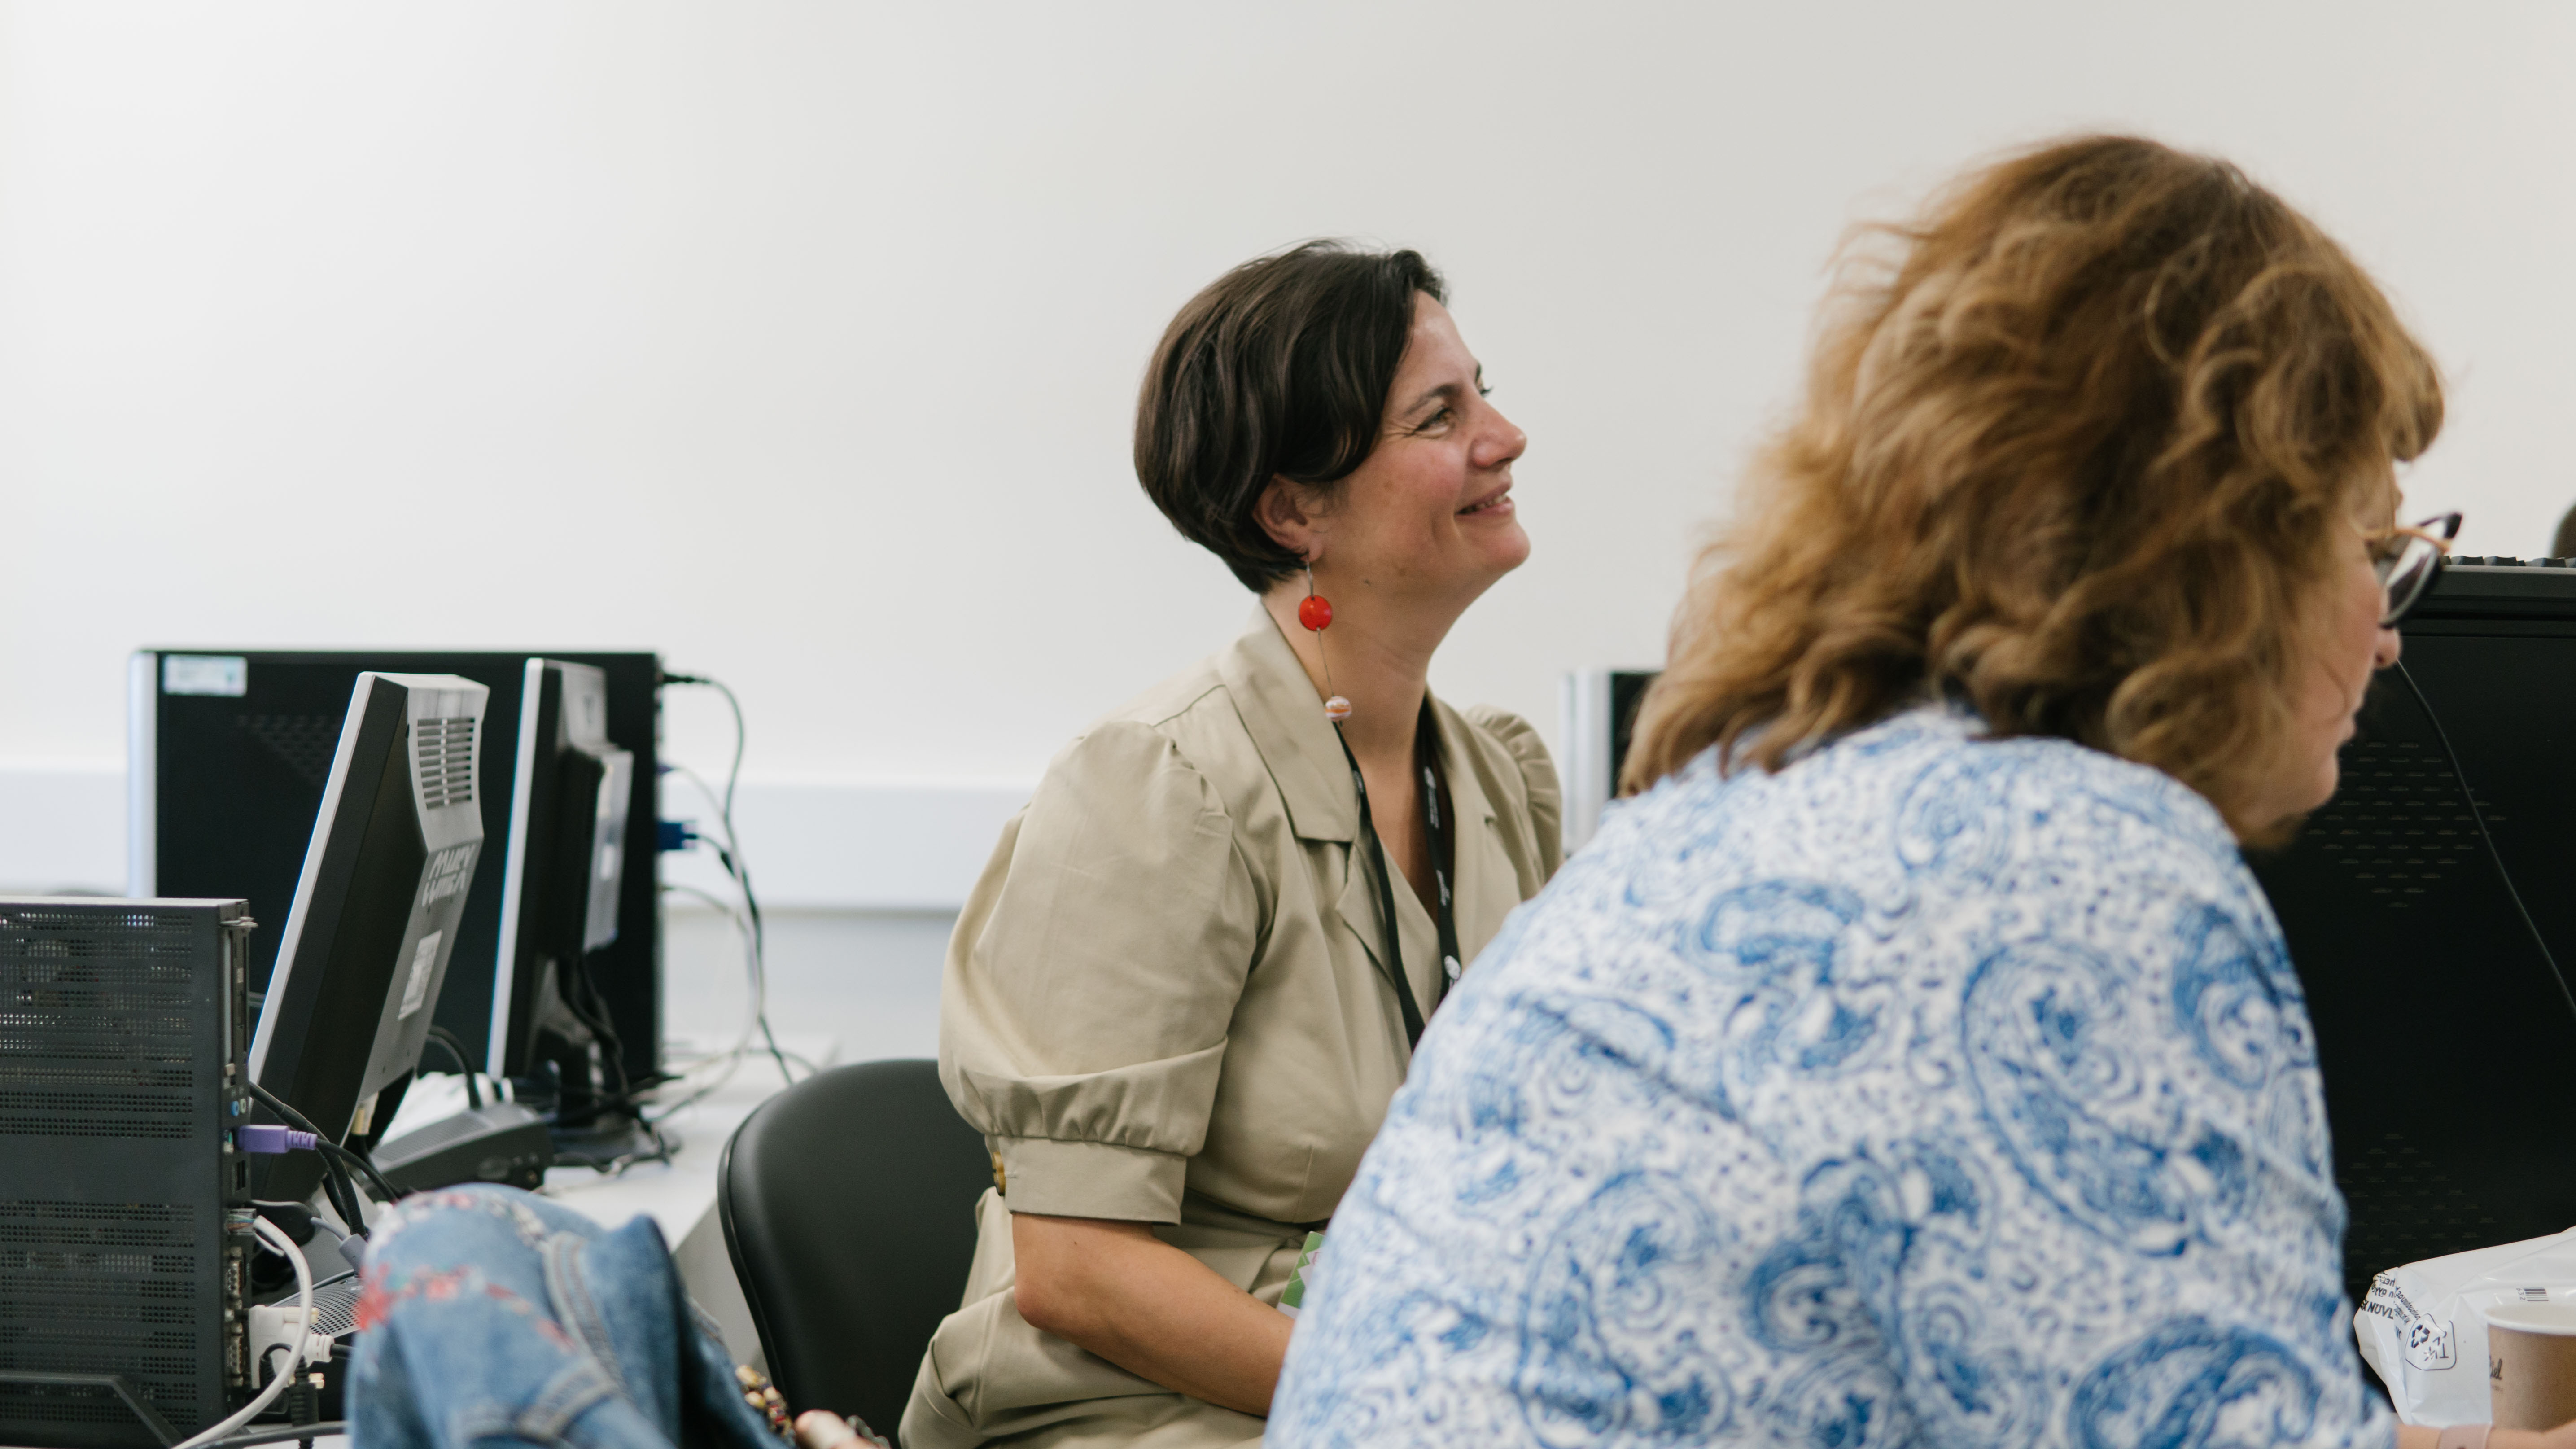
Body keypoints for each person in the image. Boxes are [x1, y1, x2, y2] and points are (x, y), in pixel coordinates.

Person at [1266, 136, 2552, 1449]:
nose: (2392, 628)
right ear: (2219, 547)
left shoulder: (1748, 794)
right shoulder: (2072, 865)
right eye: (2373, 543)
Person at [892, 241, 1563, 1448]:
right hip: (1141, 1411)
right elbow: (1079, 1271)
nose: (1504, 437)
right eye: (1440, 415)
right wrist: (1419, 1408)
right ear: (1295, 510)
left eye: (1486, 392)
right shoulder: (1158, 788)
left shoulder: (1494, 783)